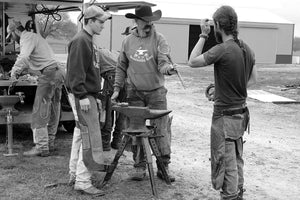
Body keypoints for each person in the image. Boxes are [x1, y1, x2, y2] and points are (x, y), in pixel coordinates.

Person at [188, 5, 257, 200]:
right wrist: (227, 89)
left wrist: (203, 35)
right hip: (241, 114)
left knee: (226, 163)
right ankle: (238, 193)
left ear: (217, 25)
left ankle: (230, 196)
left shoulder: (222, 49)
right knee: (236, 158)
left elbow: (192, 61)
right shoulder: (246, 48)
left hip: (225, 117)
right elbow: (252, 79)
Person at [111, 5, 177, 182]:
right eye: (145, 20)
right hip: (135, 92)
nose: (149, 24)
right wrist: (117, 89)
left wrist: (169, 69)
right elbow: (121, 66)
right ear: (136, 21)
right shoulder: (127, 41)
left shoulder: (160, 39)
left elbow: (163, 63)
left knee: (161, 129)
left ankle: (164, 167)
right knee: (137, 131)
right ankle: (140, 167)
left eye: (150, 21)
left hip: (156, 93)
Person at [66, 5, 111, 195]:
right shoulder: (81, 40)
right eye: (100, 22)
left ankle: (74, 174)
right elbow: (75, 71)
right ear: (90, 20)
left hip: (88, 94)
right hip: (82, 94)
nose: (103, 26)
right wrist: (82, 95)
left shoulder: (88, 40)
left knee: (79, 133)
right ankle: (83, 182)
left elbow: (91, 70)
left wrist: (95, 95)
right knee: (90, 137)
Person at [7, 20, 65, 157]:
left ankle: (41, 147)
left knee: (40, 108)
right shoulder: (36, 37)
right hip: (59, 72)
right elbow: (35, 59)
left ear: (15, 31)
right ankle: (49, 142)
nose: (13, 40)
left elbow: (24, 56)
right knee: (53, 109)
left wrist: (14, 72)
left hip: (49, 73)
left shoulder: (26, 38)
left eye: (11, 36)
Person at [98, 48, 126, 151]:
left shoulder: (96, 54)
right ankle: (117, 142)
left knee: (108, 111)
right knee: (123, 111)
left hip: (112, 77)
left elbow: (96, 73)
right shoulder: (115, 53)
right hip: (125, 78)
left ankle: (105, 144)